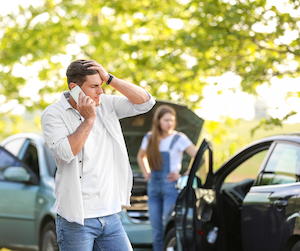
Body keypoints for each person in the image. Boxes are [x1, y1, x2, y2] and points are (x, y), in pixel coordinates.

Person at [41, 59, 155, 251]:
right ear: (74, 87)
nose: (100, 91)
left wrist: (110, 79)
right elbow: (66, 152)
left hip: (111, 215)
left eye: (101, 85)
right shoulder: (53, 114)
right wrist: (89, 119)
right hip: (77, 220)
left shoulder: (107, 104)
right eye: (94, 86)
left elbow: (146, 103)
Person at [137, 105, 197, 251]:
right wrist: (146, 172)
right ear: (158, 121)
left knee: (168, 226)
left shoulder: (179, 138)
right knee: (156, 229)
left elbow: (198, 156)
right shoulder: (149, 137)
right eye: (166, 120)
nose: (169, 123)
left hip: (171, 188)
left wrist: (185, 175)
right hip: (153, 188)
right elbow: (141, 156)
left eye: (172, 120)